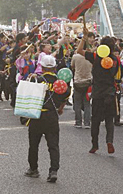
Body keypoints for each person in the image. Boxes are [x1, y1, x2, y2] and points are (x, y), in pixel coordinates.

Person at [24, 55, 69, 183]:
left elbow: (27, 94)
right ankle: (53, 170)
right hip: (52, 115)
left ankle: (33, 169)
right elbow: (66, 96)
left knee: (34, 144)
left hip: (37, 115)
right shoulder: (60, 82)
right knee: (53, 145)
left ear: (42, 67)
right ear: (55, 68)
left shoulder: (36, 80)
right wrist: (60, 108)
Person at [77, 31, 119, 154]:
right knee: (109, 120)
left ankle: (94, 145)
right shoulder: (115, 60)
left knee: (95, 120)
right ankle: (109, 141)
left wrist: (83, 39)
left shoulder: (95, 57)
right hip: (110, 92)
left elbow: (79, 51)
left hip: (98, 93)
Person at [71, 43, 93, 129]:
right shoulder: (90, 58)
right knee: (87, 103)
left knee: (78, 103)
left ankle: (78, 122)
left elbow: (72, 66)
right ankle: (87, 123)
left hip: (78, 81)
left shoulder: (75, 57)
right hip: (88, 81)